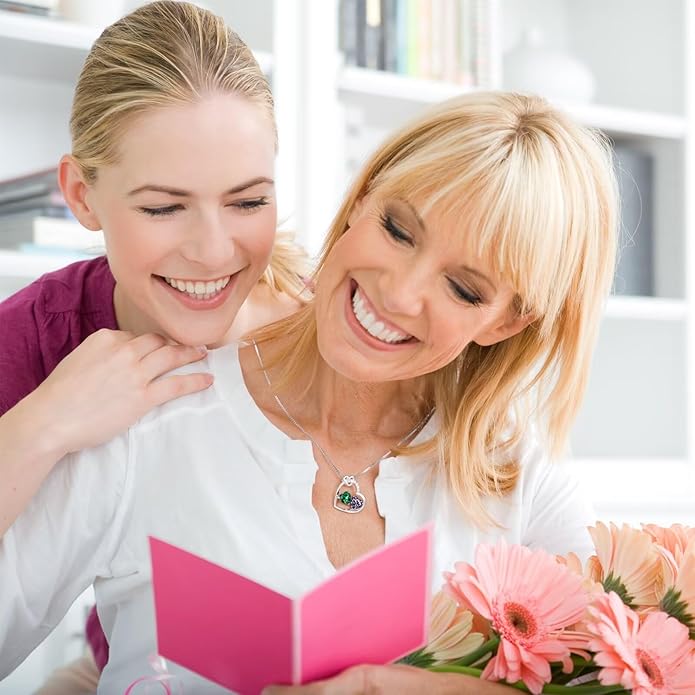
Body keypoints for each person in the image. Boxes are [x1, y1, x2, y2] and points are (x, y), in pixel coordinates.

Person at [0, 90, 618, 694]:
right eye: (398, 230)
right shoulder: (151, 418)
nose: (399, 294)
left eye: (463, 288)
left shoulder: (516, 474)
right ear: (363, 198)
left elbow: (614, 672)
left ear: (506, 322)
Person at [0, 1, 309, 691]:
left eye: (247, 201)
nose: (212, 251)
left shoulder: (326, 332)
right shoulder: (37, 337)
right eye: (164, 207)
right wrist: (45, 423)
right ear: (83, 196)